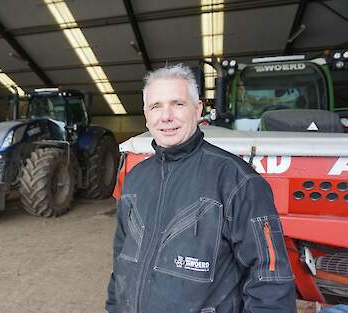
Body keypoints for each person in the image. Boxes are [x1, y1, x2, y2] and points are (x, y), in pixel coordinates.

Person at [106, 64, 296, 313]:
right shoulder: (135, 178)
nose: (166, 116)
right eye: (156, 106)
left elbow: (270, 282)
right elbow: (121, 259)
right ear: (146, 114)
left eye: (178, 104)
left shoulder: (238, 181)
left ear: (198, 110)